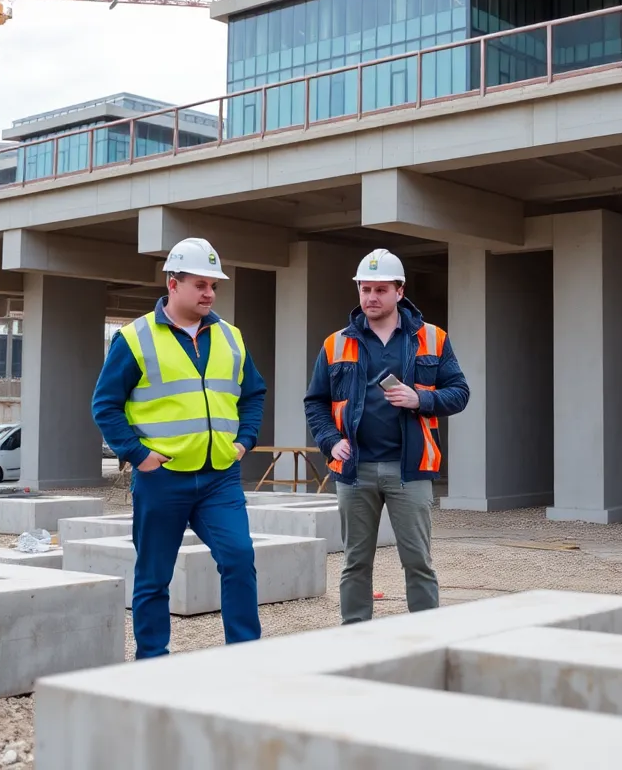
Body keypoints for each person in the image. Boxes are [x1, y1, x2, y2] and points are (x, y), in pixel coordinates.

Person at [92, 237, 266, 658]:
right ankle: (152, 661)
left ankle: (246, 656)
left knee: (240, 558)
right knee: (154, 576)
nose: (209, 293)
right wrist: (138, 455)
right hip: (162, 477)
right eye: (200, 284)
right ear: (173, 283)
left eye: (214, 286)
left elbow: (253, 393)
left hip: (219, 476)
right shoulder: (135, 338)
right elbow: (105, 404)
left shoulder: (231, 338)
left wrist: (244, 442)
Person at [304, 248, 469, 624]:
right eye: (365, 289)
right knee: (355, 562)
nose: (371, 297)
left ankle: (424, 638)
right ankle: (356, 637)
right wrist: (330, 441)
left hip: (409, 469)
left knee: (418, 562)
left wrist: (420, 398)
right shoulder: (335, 344)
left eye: (380, 289)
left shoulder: (433, 339)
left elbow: (459, 393)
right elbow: (315, 402)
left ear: (400, 291)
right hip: (354, 469)